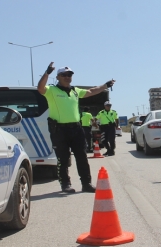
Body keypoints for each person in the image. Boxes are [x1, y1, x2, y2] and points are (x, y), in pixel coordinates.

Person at [38, 62, 114, 193]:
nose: (67, 77)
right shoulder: (51, 90)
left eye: (69, 75)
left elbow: (91, 91)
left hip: (76, 129)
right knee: (63, 158)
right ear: (58, 77)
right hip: (59, 130)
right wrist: (47, 73)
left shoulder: (75, 91)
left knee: (82, 157)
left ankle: (86, 184)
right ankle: (65, 184)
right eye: (64, 75)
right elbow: (40, 88)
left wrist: (105, 85)